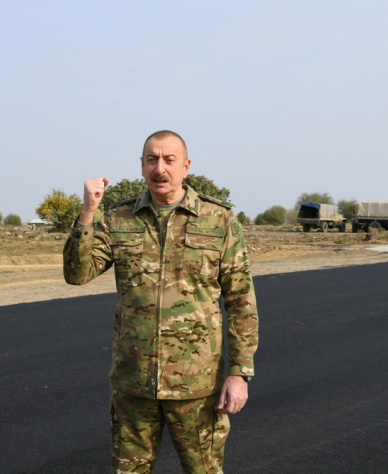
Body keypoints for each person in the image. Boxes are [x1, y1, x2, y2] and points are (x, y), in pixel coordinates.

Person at [63, 130, 259, 474]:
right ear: (141, 166)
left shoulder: (219, 220)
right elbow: (77, 273)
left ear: (186, 166)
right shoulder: (119, 219)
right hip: (134, 385)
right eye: (152, 159)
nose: (160, 168)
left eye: (169, 159)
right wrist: (87, 213)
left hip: (196, 386)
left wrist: (239, 373)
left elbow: (241, 301)